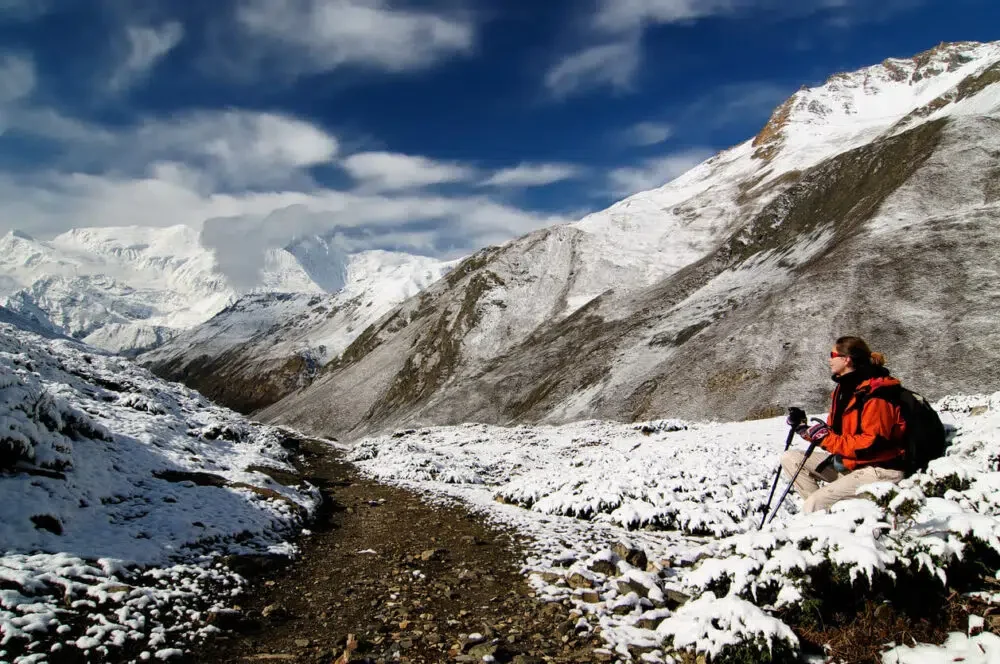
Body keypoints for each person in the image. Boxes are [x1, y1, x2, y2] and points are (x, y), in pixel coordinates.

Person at [780, 336, 907, 513]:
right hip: (851, 463)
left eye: (832, 355)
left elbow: (872, 445)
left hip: (880, 470)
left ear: (846, 359)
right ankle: (825, 517)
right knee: (790, 458)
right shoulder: (844, 389)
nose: (829, 359)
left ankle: (819, 516)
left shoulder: (876, 395)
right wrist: (804, 429)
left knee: (814, 503)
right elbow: (836, 434)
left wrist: (825, 438)